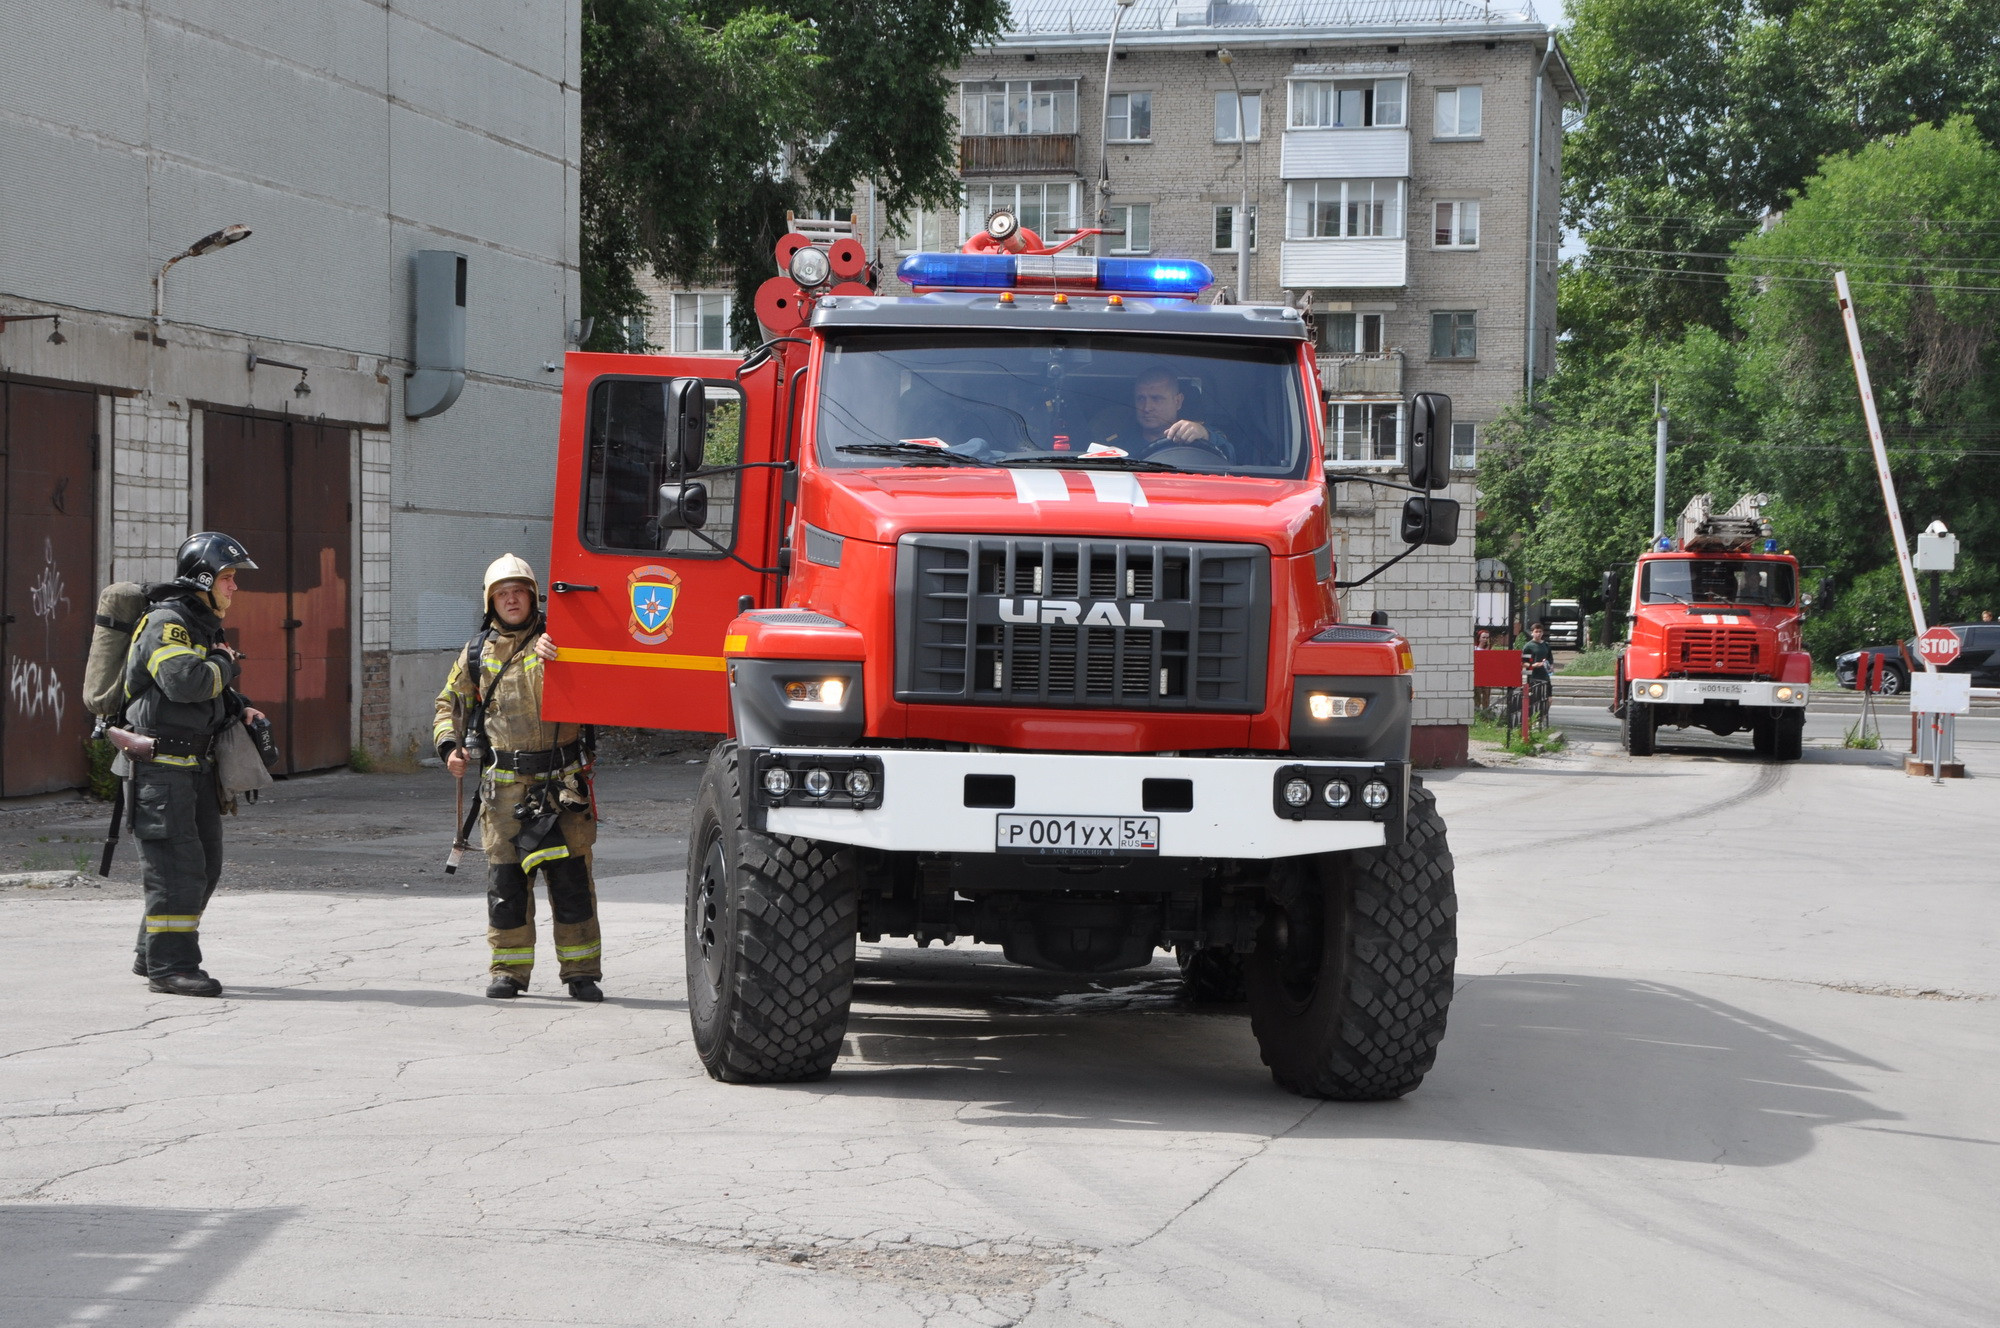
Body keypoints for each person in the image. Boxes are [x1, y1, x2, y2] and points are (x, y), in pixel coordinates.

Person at [434, 554, 604, 1002]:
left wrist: (566, 654)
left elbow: (602, 678)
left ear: (533, 596)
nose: (511, 600)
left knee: (571, 882)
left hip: (562, 786)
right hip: (504, 791)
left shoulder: (562, 639)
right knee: (506, 885)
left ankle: (581, 972)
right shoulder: (475, 654)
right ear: (491, 602)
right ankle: (508, 971)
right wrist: (451, 747)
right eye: (502, 594)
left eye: (519, 591)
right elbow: (445, 705)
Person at [125, 532, 265, 997]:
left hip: (195, 768)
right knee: (177, 868)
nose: (234, 586)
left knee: (205, 865)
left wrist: (239, 705)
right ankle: (173, 968)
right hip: (161, 769)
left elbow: (207, 690)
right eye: (228, 577)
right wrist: (227, 664)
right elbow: (185, 683)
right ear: (204, 578)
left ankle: (152, 954)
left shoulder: (202, 625)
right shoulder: (168, 623)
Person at [1096, 366, 1231, 460]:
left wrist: (1205, 435)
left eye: (1156, 398)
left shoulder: (1199, 437)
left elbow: (1230, 458)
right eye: (1141, 398)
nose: (1147, 407)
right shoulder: (1118, 444)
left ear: (1178, 401)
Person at [1521, 623, 1555, 724]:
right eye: (1536, 631)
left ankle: (1542, 717)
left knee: (1549, 699)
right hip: (1534, 676)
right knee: (1534, 699)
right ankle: (1533, 719)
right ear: (1532, 633)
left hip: (1545, 676)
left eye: (1540, 631)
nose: (1538, 634)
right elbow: (1523, 663)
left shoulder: (1546, 645)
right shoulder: (1528, 646)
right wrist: (1534, 665)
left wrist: (1550, 667)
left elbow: (1550, 660)